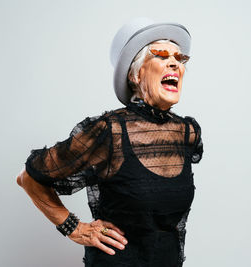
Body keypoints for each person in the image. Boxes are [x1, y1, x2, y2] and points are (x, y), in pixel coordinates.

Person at [17, 17, 203, 267]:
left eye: (179, 59)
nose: (174, 64)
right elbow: (28, 178)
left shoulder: (187, 133)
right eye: (160, 55)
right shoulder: (109, 130)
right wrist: (74, 228)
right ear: (135, 75)